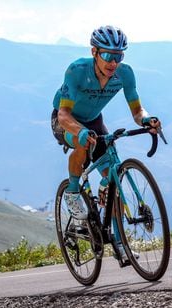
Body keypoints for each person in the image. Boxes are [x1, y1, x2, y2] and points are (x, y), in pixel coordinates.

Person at [51, 25, 161, 259]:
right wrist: (80, 132)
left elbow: (137, 109)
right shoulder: (77, 70)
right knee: (83, 143)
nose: (113, 62)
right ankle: (72, 191)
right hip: (66, 120)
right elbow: (63, 115)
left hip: (94, 121)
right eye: (108, 56)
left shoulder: (125, 74)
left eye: (119, 56)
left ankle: (119, 243)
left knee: (112, 177)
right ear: (94, 52)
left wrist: (147, 120)